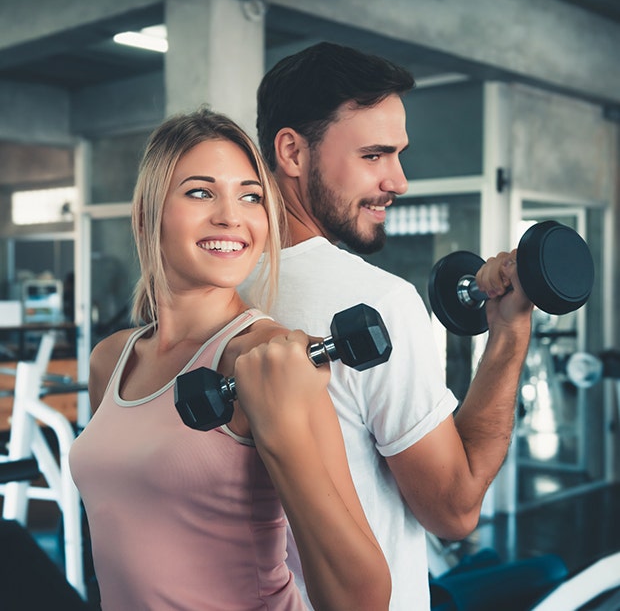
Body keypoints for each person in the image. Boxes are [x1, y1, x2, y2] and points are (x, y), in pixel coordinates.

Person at [239, 42, 534, 610]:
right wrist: (509, 328)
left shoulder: (213, 293)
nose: (398, 180)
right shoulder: (377, 302)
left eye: (398, 155)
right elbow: (453, 509)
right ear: (292, 152)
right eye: (374, 155)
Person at [69, 107, 391, 610]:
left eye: (251, 196)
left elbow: (362, 600)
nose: (231, 216)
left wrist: (283, 431)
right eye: (201, 192)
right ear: (147, 212)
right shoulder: (111, 360)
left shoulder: (268, 360)